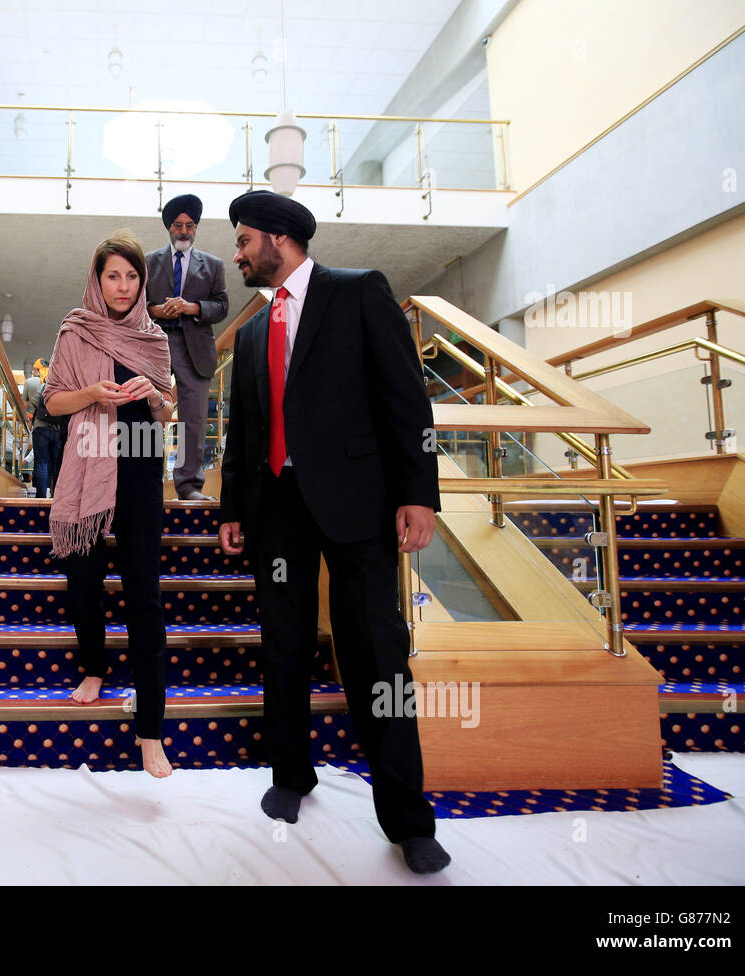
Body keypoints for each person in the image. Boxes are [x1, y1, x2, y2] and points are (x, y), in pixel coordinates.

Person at [218, 189, 451, 874]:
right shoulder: (254, 330)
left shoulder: (358, 293)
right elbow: (244, 431)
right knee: (282, 647)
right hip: (278, 510)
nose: (236, 254)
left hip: (359, 505)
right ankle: (291, 776)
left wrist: (418, 494)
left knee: (379, 655)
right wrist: (234, 508)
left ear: (279, 239)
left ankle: (409, 818)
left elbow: (407, 397)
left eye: (242, 241)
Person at [43, 232, 176, 779]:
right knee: (83, 576)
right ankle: (94, 666)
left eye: (131, 276)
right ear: (97, 281)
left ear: (142, 282)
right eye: (112, 276)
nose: (122, 286)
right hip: (87, 461)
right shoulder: (76, 330)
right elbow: (52, 401)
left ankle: (150, 732)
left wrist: (150, 396)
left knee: (144, 593)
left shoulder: (155, 337)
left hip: (140, 465)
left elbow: (168, 413)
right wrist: (93, 394)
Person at [146, 194, 229, 500]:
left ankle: (188, 487)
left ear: (196, 227)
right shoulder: (147, 262)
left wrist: (192, 307)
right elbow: (135, 304)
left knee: (193, 419)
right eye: (178, 225)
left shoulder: (213, 265)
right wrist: (156, 311)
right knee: (147, 415)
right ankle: (146, 481)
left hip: (194, 347)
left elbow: (221, 306)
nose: (184, 231)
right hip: (155, 344)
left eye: (189, 225)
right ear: (169, 227)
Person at [24, 358, 61, 497]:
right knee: (57, 464)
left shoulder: (30, 382)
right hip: (58, 428)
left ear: (37, 369)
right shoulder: (57, 381)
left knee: (41, 462)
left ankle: (41, 495)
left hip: (40, 428)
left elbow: (24, 406)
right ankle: (56, 495)